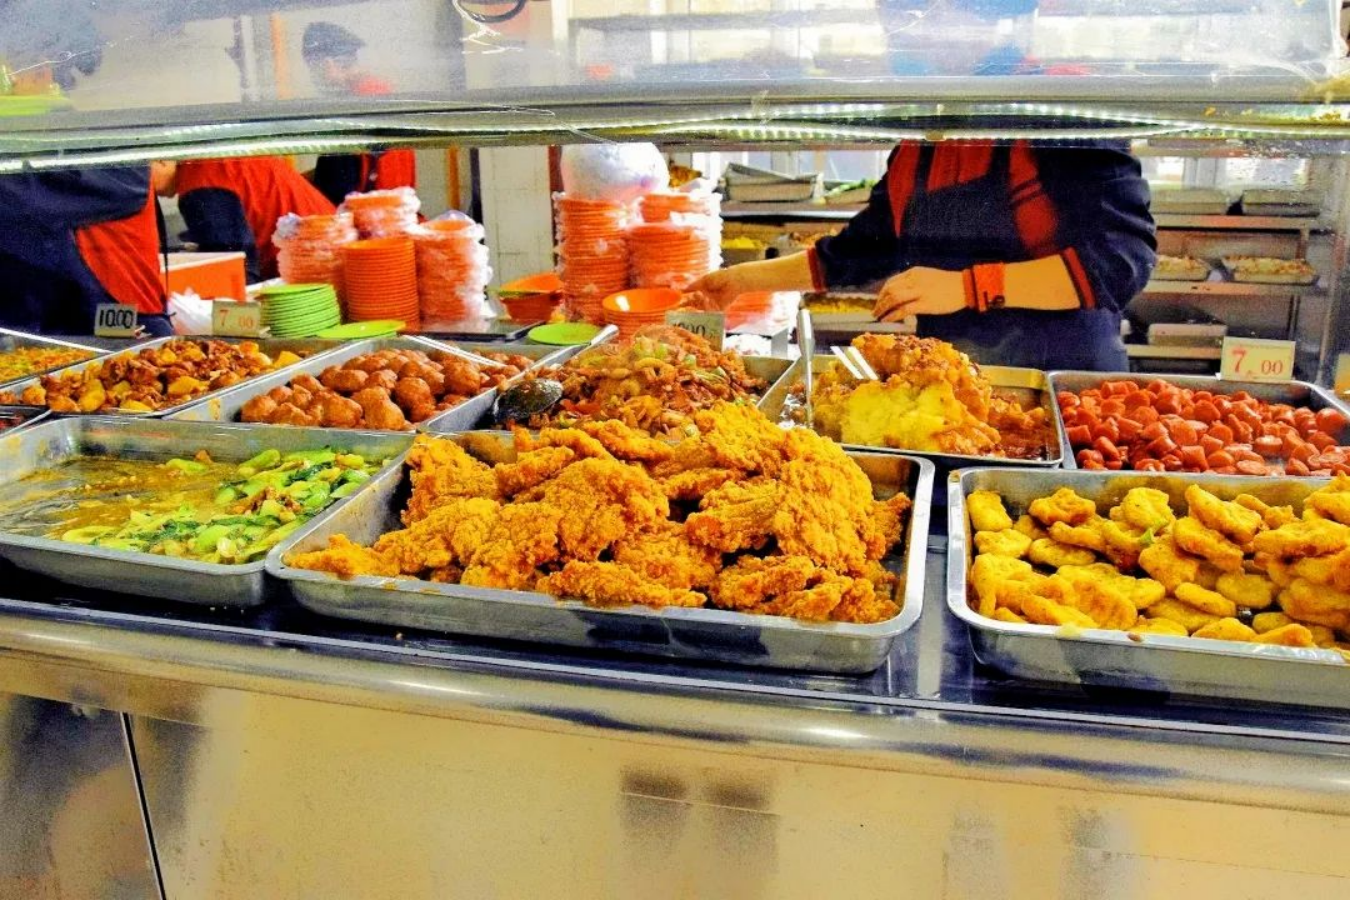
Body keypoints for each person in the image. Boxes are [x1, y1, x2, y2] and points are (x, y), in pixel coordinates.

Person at [691, 1, 1156, 371]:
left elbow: (1120, 261)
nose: (899, 33)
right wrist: (738, 281)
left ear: (970, 16)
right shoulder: (925, 133)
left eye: (913, 15)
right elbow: (862, 250)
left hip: (1058, 384)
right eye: (894, 17)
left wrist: (969, 287)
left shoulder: (1050, 106)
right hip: (955, 380)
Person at [0, 166, 172, 335]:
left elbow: (37, 197)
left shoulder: (122, 172)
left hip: (117, 312)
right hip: (43, 311)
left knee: (122, 349)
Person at [153, 157, 336, 282]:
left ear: (162, 160)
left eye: (141, 172)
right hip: (332, 248)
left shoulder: (200, 184)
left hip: (311, 270)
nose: (143, 188)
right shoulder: (215, 159)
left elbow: (238, 270)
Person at [301, 21, 417, 205]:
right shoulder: (385, 96)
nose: (314, 78)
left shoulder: (349, 110)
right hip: (396, 214)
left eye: (313, 69)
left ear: (327, 64)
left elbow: (335, 191)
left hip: (365, 219)